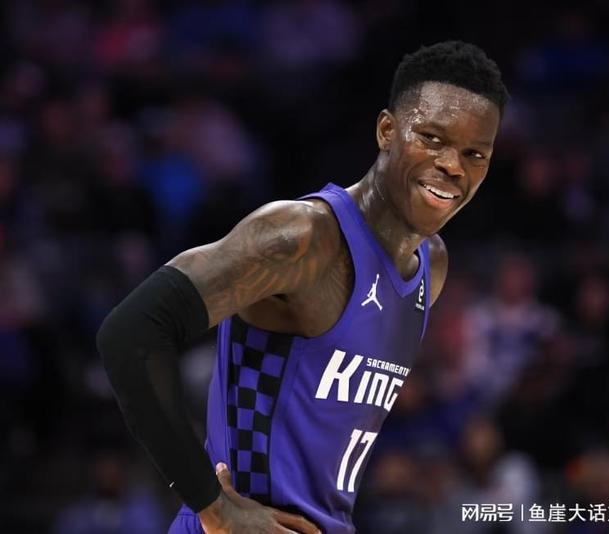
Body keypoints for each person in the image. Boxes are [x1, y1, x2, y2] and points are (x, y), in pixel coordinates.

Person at [97, 40, 508, 534]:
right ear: (386, 131)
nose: (453, 166)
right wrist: (211, 503)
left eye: (474, 154)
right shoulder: (303, 237)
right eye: (432, 138)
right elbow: (130, 333)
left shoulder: (430, 267)